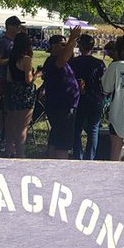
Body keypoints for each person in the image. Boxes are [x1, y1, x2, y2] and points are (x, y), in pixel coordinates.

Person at [39, 30, 81, 159]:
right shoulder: (53, 60)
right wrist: (72, 39)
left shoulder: (58, 61)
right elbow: (62, 59)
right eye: (62, 44)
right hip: (62, 105)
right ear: (53, 46)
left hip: (62, 104)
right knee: (63, 140)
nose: (65, 47)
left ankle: (51, 159)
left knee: (56, 134)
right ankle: (61, 165)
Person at [70, 33, 107, 160]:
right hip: (96, 98)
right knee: (93, 129)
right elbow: (104, 81)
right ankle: (90, 156)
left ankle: (78, 155)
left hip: (79, 98)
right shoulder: (99, 63)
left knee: (76, 129)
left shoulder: (74, 62)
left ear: (80, 47)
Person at [2, 33, 36, 158]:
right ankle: (20, 153)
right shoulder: (26, 59)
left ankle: (9, 149)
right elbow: (28, 79)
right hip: (25, 93)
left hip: (13, 90)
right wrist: (36, 74)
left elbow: (9, 78)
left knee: (12, 123)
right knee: (23, 125)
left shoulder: (11, 58)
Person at [0, 16, 24, 80]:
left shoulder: (16, 40)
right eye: (16, 26)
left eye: (19, 25)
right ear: (9, 27)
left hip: (15, 77)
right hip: (4, 78)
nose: (19, 27)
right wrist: (12, 59)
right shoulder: (3, 42)